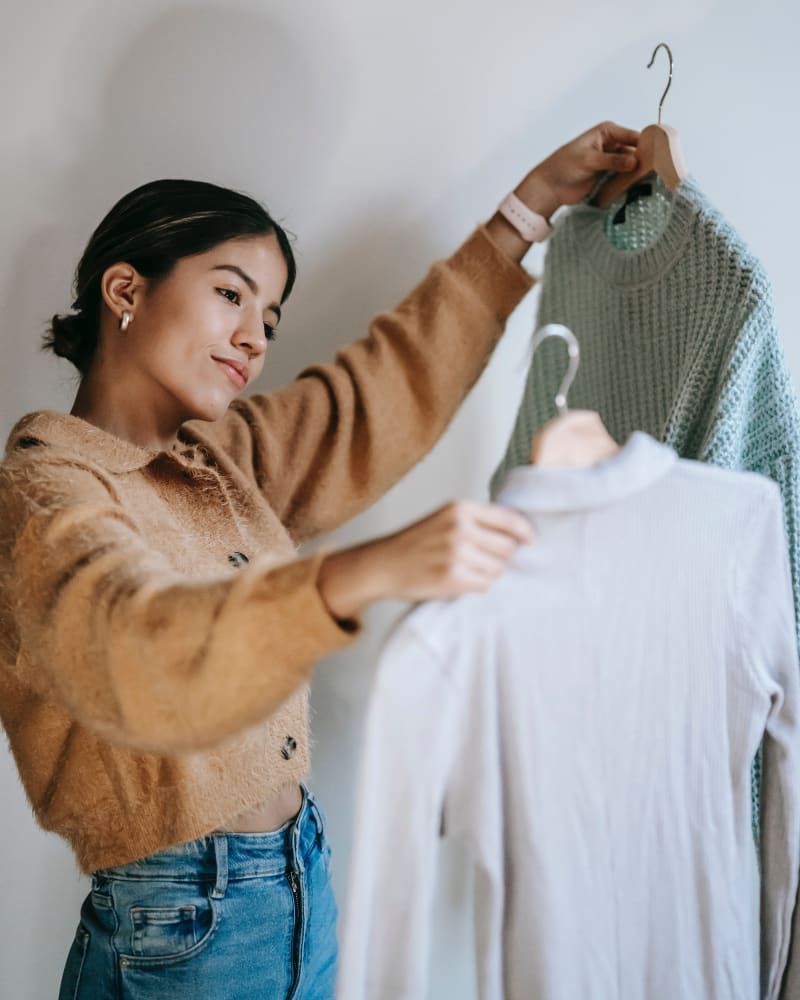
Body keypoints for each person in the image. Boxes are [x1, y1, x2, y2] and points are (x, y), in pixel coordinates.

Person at [0, 122, 638, 1000]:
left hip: (301, 879)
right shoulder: (46, 489)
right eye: (231, 293)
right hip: (182, 924)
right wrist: (357, 574)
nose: (254, 337)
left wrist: (525, 211)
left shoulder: (226, 460)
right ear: (126, 290)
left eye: (269, 317)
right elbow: (130, 649)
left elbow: (377, 392)